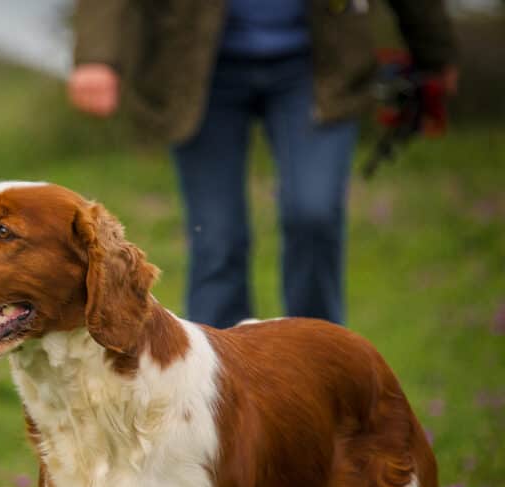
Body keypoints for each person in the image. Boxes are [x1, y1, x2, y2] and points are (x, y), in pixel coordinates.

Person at [69, 0, 457, 329]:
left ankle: (320, 370)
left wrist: (435, 51)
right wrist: (96, 56)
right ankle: (219, 392)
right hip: (199, 68)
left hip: (319, 64)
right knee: (217, 240)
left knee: (314, 214)